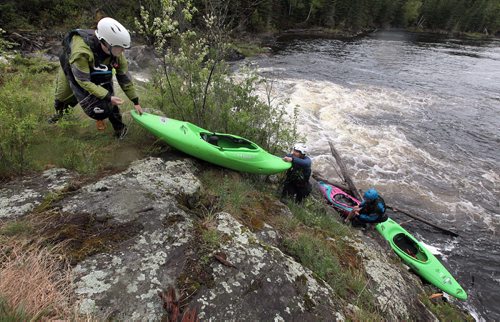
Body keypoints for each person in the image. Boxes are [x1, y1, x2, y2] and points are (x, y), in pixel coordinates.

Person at [49, 17, 143, 138]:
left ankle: (120, 129)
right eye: (119, 47)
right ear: (104, 42)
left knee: (108, 101)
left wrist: (135, 101)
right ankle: (58, 118)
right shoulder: (80, 53)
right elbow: (83, 81)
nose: (123, 51)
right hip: (73, 70)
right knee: (63, 99)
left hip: (98, 67)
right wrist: (107, 96)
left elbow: (123, 77)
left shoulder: (117, 51)